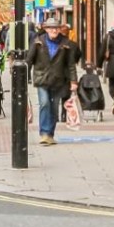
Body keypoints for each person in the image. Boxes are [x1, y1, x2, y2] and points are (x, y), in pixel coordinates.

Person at [26, 16, 80, 145]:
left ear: (60, 29)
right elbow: (29, 60)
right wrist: (23, 76)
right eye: (51, 28)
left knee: (54, 107)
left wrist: (73, 81)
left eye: (56, 28)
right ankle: (44, 133)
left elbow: (71, 64)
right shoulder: (38, 42)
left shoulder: (66, 44)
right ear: (46, 29)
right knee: (44, 103)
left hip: (58, 80)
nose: (54, 30)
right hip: (42, 79)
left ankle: (50, 134)